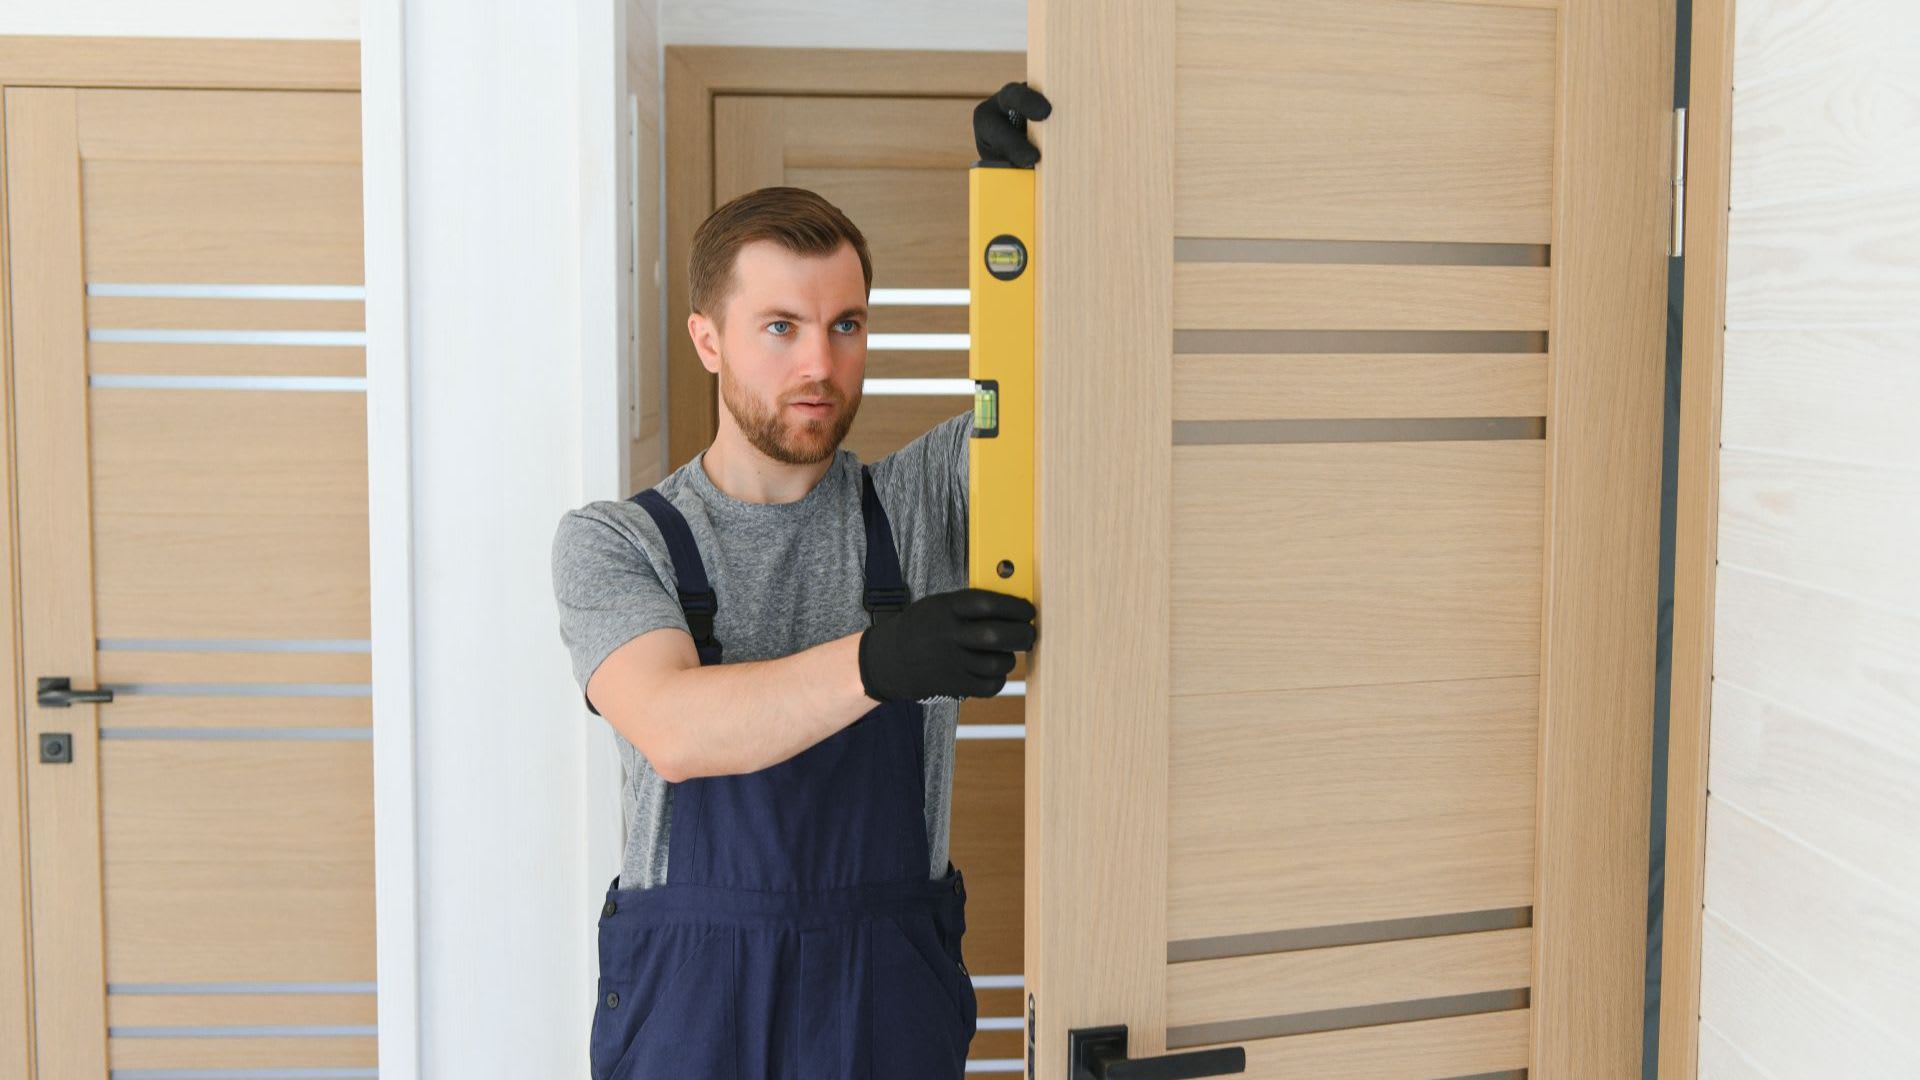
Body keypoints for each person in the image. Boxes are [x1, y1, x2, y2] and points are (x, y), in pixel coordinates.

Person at [549, 85, 1052, 1079]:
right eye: (780, 326)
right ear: (709, 340)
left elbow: (1063, 381)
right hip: (692, 1009)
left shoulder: (925, 502)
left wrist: (1024, 207)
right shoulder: (617, 542)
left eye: (847, 324)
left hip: (886, 993)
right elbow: (679, 731)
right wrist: (885, 658)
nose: (821, 363)